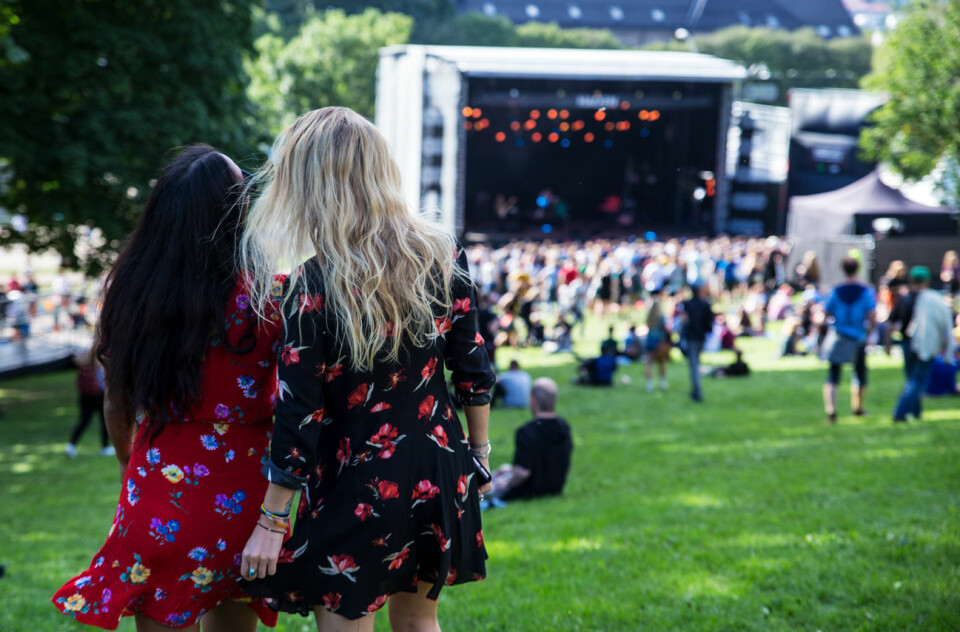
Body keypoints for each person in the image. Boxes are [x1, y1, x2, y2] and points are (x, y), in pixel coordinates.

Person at [238, 107, 496, 629]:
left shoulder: (312, 283)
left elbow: (299, 411)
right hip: (438, 463)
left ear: (310, 183)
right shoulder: (442, 254)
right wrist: (479, 453)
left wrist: (272, 519)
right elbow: (473, 368)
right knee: (419, 622)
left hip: (355, 477)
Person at [52, 145, 283, 631]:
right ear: (233, 212)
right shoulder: (267, 294)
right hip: (243, 499)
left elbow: (116, 401)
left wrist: (126, 464)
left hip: (159, 490)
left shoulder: (134, 290)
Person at [490, 378, 573, 502]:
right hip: (554, 488)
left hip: (527, 491)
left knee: (491, 483)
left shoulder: (527, 431)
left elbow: (523, 473)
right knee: (505, 468)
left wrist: (507, 484)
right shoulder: (563, 427)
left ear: (534, 400)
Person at [893, 267, 955, 421]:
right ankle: (900, 413)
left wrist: (888, 344)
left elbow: (891, 322)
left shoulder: (905, 298)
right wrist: (947, 346)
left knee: (913, 380)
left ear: (911, 280)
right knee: (917, 381)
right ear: (927, 281)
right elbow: (945, 324)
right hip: (925, 345)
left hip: (907, 344)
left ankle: (916, 412)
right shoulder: (934, 300)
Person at [822, 257, 876, 424]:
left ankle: (831, 410)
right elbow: (872, 315)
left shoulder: (836, 291)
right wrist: (870, 332)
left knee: (833, 375)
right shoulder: (865, 291)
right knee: (860, 374)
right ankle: (858, 408)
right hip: (858, 337)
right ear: (857, 269)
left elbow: (826, 312)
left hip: (839, 337)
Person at [64, 348, 111, 458]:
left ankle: (71, 446)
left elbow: (76, 359)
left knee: (84, 421)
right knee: (104, 421)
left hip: (85, 396)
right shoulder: (96, 360)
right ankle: (105, 447)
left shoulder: (84, 360)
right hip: (98, 395)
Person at [680, 283, 715, 402]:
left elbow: (684, 320)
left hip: (692, 337)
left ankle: (697, 391)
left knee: (693, 365)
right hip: (701, 337)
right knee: (696, 363)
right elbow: (709, 321)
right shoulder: (704, 304)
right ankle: (695, 390)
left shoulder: (689, 304)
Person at [644, 290, 670, 392]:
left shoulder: (649, 317)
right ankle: (662, 382)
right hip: (659, 341)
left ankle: (649, 384)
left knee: (649, 363)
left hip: (650, 340)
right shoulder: (661, 317)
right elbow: (665, 329)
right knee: (661, 362)